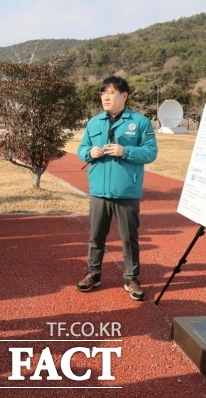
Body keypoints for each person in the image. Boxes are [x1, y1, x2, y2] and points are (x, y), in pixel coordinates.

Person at [76, 76, 158, 300]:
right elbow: (81, 148)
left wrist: (126, 152)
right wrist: (89, 152)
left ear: (124, 96)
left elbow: (151, 153)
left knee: (128, 238)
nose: (106, 97)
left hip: (126, 191)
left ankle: (131, 278)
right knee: (95, 236)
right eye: (103, 93)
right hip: (99, 190)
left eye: (111, 92)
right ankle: (93, 274)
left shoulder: (140, 122)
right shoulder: (94, 122)